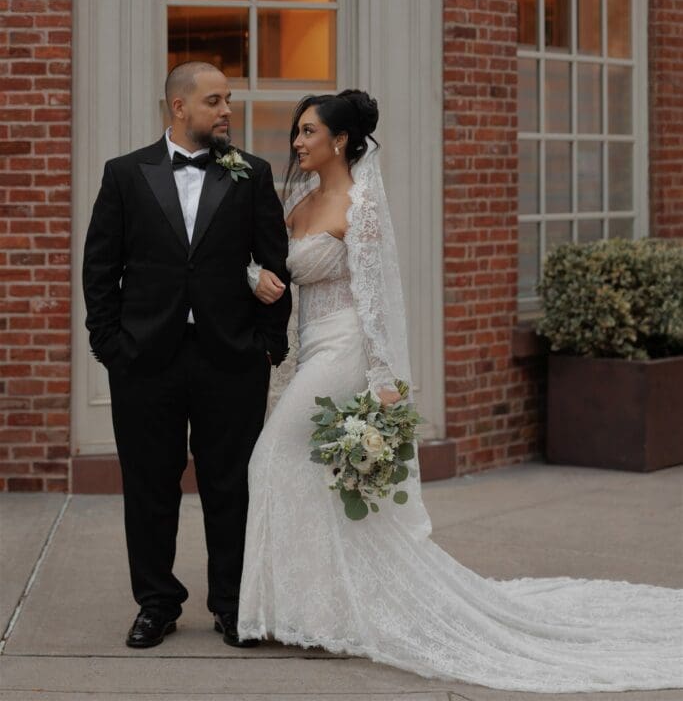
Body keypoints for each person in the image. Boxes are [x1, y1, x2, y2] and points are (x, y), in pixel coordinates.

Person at [238, 88, 683, 692]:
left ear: (340, 140)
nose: (297, 142)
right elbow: (276, 269)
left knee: (270, 458)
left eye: (308, 132)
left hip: (343, 352)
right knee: (311, 476)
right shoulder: (299, 198)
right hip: (307, 345)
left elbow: (374, 302)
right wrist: (252, 275)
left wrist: (383, 384)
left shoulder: (361, 205)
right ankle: (314, 607)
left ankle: (294, 607)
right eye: (298, 132)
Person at [82, 61, 291, 649]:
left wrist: (267, 348)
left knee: (231, 486)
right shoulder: (125, 174)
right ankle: (156, 602)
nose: (228, 110)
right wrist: (110, 347)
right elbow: (100, 268)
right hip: (145, 361)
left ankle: (231, 603)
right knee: (149, 487)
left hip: (231, 359)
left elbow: (275, 263)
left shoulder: (252, 173)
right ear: (179, 107)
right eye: (216, 100)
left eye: (227, 100)